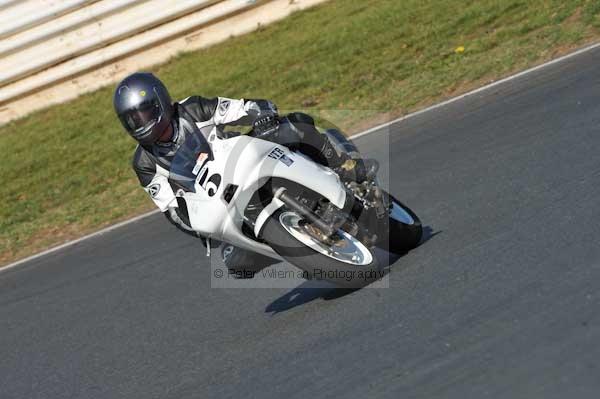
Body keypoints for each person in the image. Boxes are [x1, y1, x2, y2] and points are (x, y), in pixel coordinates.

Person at [113, 72, 377, 274]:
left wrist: (261, 115)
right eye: (133, 120)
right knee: (235, 264)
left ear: (160, 102)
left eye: (145, 113)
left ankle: (344, 167)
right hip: (219, 204)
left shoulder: (192, 109)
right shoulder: (144, 163)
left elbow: (242, 108)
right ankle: (305, 255)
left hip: (243, 164)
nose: (141, 123)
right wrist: (198, 227)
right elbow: (171, 211)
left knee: (293, 126)